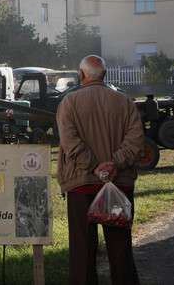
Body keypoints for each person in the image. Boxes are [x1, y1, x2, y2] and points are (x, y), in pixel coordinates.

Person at [57, 55, 143, 285]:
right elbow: (136, 140)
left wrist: (95, 168)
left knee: (82, 249)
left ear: (81, 75)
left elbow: (69, 142)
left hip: (81, 183)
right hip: (119, 183)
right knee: (119, 248)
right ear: (104, 75)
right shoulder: (125, 102)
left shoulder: (69, 102)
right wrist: (115, 164)